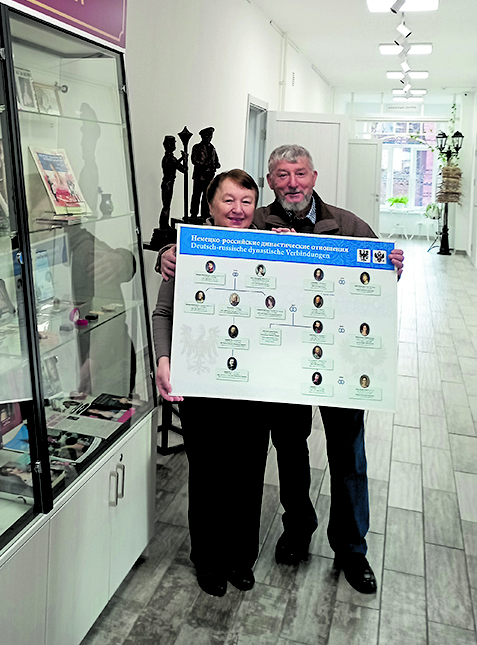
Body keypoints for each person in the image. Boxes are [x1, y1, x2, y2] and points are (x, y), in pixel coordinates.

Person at [158, 143, 404, 595]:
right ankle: (297, 529)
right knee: (291, 449)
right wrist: (168, 257)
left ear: (314, 176)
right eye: (282, 175)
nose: (293, 183)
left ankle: (352, 549)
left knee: (347, 454)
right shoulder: (256, 224)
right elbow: (207, 251)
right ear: (270, 181)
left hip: (339, 364)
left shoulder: (350, 226)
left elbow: (380, 282)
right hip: (279, 367)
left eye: (301, 174)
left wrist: (393, 266)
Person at [153, 168, 313, 598]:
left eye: (246, 201)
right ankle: (207, 558)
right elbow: (164, 313)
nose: (237, 210)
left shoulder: (272, 241)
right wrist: (163, 359)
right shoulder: (191, 248)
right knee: (207, 474)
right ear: (210, 205)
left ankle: (240, 559)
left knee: (248, 473)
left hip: (254, 385)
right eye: (228, 200)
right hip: (202, 381)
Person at [189, 127, 220, 219]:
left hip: (209, 176)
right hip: (200, 176)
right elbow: (194, 160)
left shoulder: (212, 148)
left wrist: (216, 164)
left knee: (207, 196)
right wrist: (204, 164)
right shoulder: (197, 147)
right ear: (202, 136)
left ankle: (205, 213)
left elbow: (217, 161)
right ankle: (193, 213)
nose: (209, 137)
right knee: (196, 195)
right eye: (207, 135)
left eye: (210, 135)